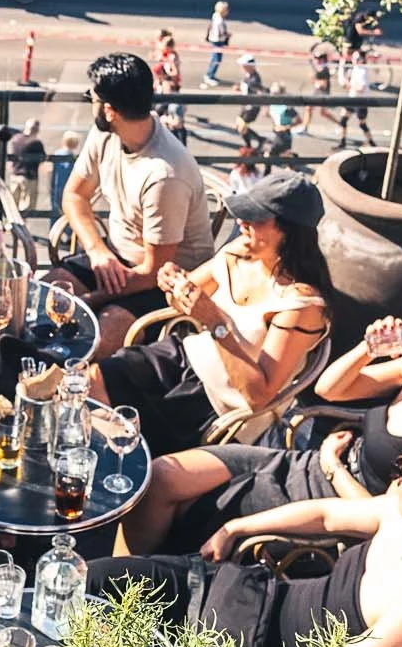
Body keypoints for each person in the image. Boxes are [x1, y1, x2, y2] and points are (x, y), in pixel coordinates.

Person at [95, 420, 402, 647]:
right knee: (91, 582)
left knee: (94, 638)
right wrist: (236, 527)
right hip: (242, 590)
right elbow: (326, 515)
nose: (392, 478)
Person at [114, 282, 402, 557]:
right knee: (162, 476)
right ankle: (123, 575)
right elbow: (330, 388)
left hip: (331, 500)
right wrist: (367, 349)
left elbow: (386, 518)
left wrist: (333, 467)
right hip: (304, 464)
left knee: (197, 510)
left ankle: (140, 590)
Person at [89, 171, 330, 458]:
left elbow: (257, 396)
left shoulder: (301, 306)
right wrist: (173, 283)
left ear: (288, 232)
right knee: (89, 382)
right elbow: (182, 300)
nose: (242, 222)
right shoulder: (239, 252)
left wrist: (215, 322)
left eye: (255, 217)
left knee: (119, 440)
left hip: (213, 404)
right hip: (181, 357)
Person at [49, 53, 214, 357]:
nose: (91, 104)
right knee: (43, 295)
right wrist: (98, 251)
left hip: (165, 282)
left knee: (92, 345)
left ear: (109, 110)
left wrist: (89, 300)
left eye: (92, 98)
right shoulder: (106, 133)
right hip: (115, 258)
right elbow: (74, 196)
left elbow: (154, 272)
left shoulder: (164, 175)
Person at [7, 118, 46, 214]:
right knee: (26, 208)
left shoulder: (16, 139)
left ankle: (9, 228)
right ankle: (21, 228)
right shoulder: (36, 143)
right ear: (37, 129)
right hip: (29, 177)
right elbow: (42, 158)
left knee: (12, 208)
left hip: (15, 175)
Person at [339, 50, 376, 149]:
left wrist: (349, 84)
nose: (354, 60)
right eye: (353, 58)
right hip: (352, 99)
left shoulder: (363, 71)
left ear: (362, 59)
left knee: (362, 124)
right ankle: (342, 142)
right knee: (343, 120)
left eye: (357, 59)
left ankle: (372, 143)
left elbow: (361, 88)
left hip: (361, 101)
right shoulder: (354, 68)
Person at [340, 9, 383, 85]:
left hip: (357, 42)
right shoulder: (360, 18)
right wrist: (373, 32)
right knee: (348, 58)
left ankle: (352, 76)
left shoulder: (369, 21)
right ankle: (343, 77)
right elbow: (360, 31)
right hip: (350, 40)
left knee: (356, 58)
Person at [234, 54, 265, 150]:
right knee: (239, 125)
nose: (243, 67)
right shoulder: (248, 75)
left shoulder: (254, 79)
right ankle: (258, 140)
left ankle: (250, 145)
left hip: (251, 107)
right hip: (245, 106)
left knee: (241, 127)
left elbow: (259, 92)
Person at [264, 83, 301, 158]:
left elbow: (299, 120)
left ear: (281, 94)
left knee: (269, 155)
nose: (272, 95)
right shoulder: (272, 104)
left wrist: (286, 127)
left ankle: (293, 159)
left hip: (284, 136)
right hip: (277, 133)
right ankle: (292, 158)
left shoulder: (286, 107)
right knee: (280, 156)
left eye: (275, 93)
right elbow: (268, 115)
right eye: (271, 92)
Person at [50, 131, 80, 223]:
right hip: (68, 187)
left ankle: (54, 231)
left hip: (56, 186)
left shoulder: (57, 154)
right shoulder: (73, 158)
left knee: (55, 210)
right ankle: (68, 232)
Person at [201, 1, 230, 88]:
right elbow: (219, 33)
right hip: (218, 41)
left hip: (214, 39)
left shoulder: (216, 16)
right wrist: (226, 35)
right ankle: (209, 76)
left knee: (215, 58)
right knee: (217, 59)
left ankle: (211, 75)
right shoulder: (219, 21)